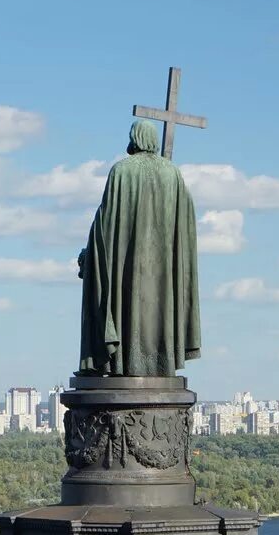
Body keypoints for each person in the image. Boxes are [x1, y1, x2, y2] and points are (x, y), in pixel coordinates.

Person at [78, 118, 200, 379]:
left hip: (127, 265)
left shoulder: (121, 171)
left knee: (121, 305)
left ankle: (119, 362)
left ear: (134, 139)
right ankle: (160, 362)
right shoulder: (173, 174)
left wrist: (90, 256)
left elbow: (106, 224)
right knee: (159, 310)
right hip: (164, 269)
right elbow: (186, 224)